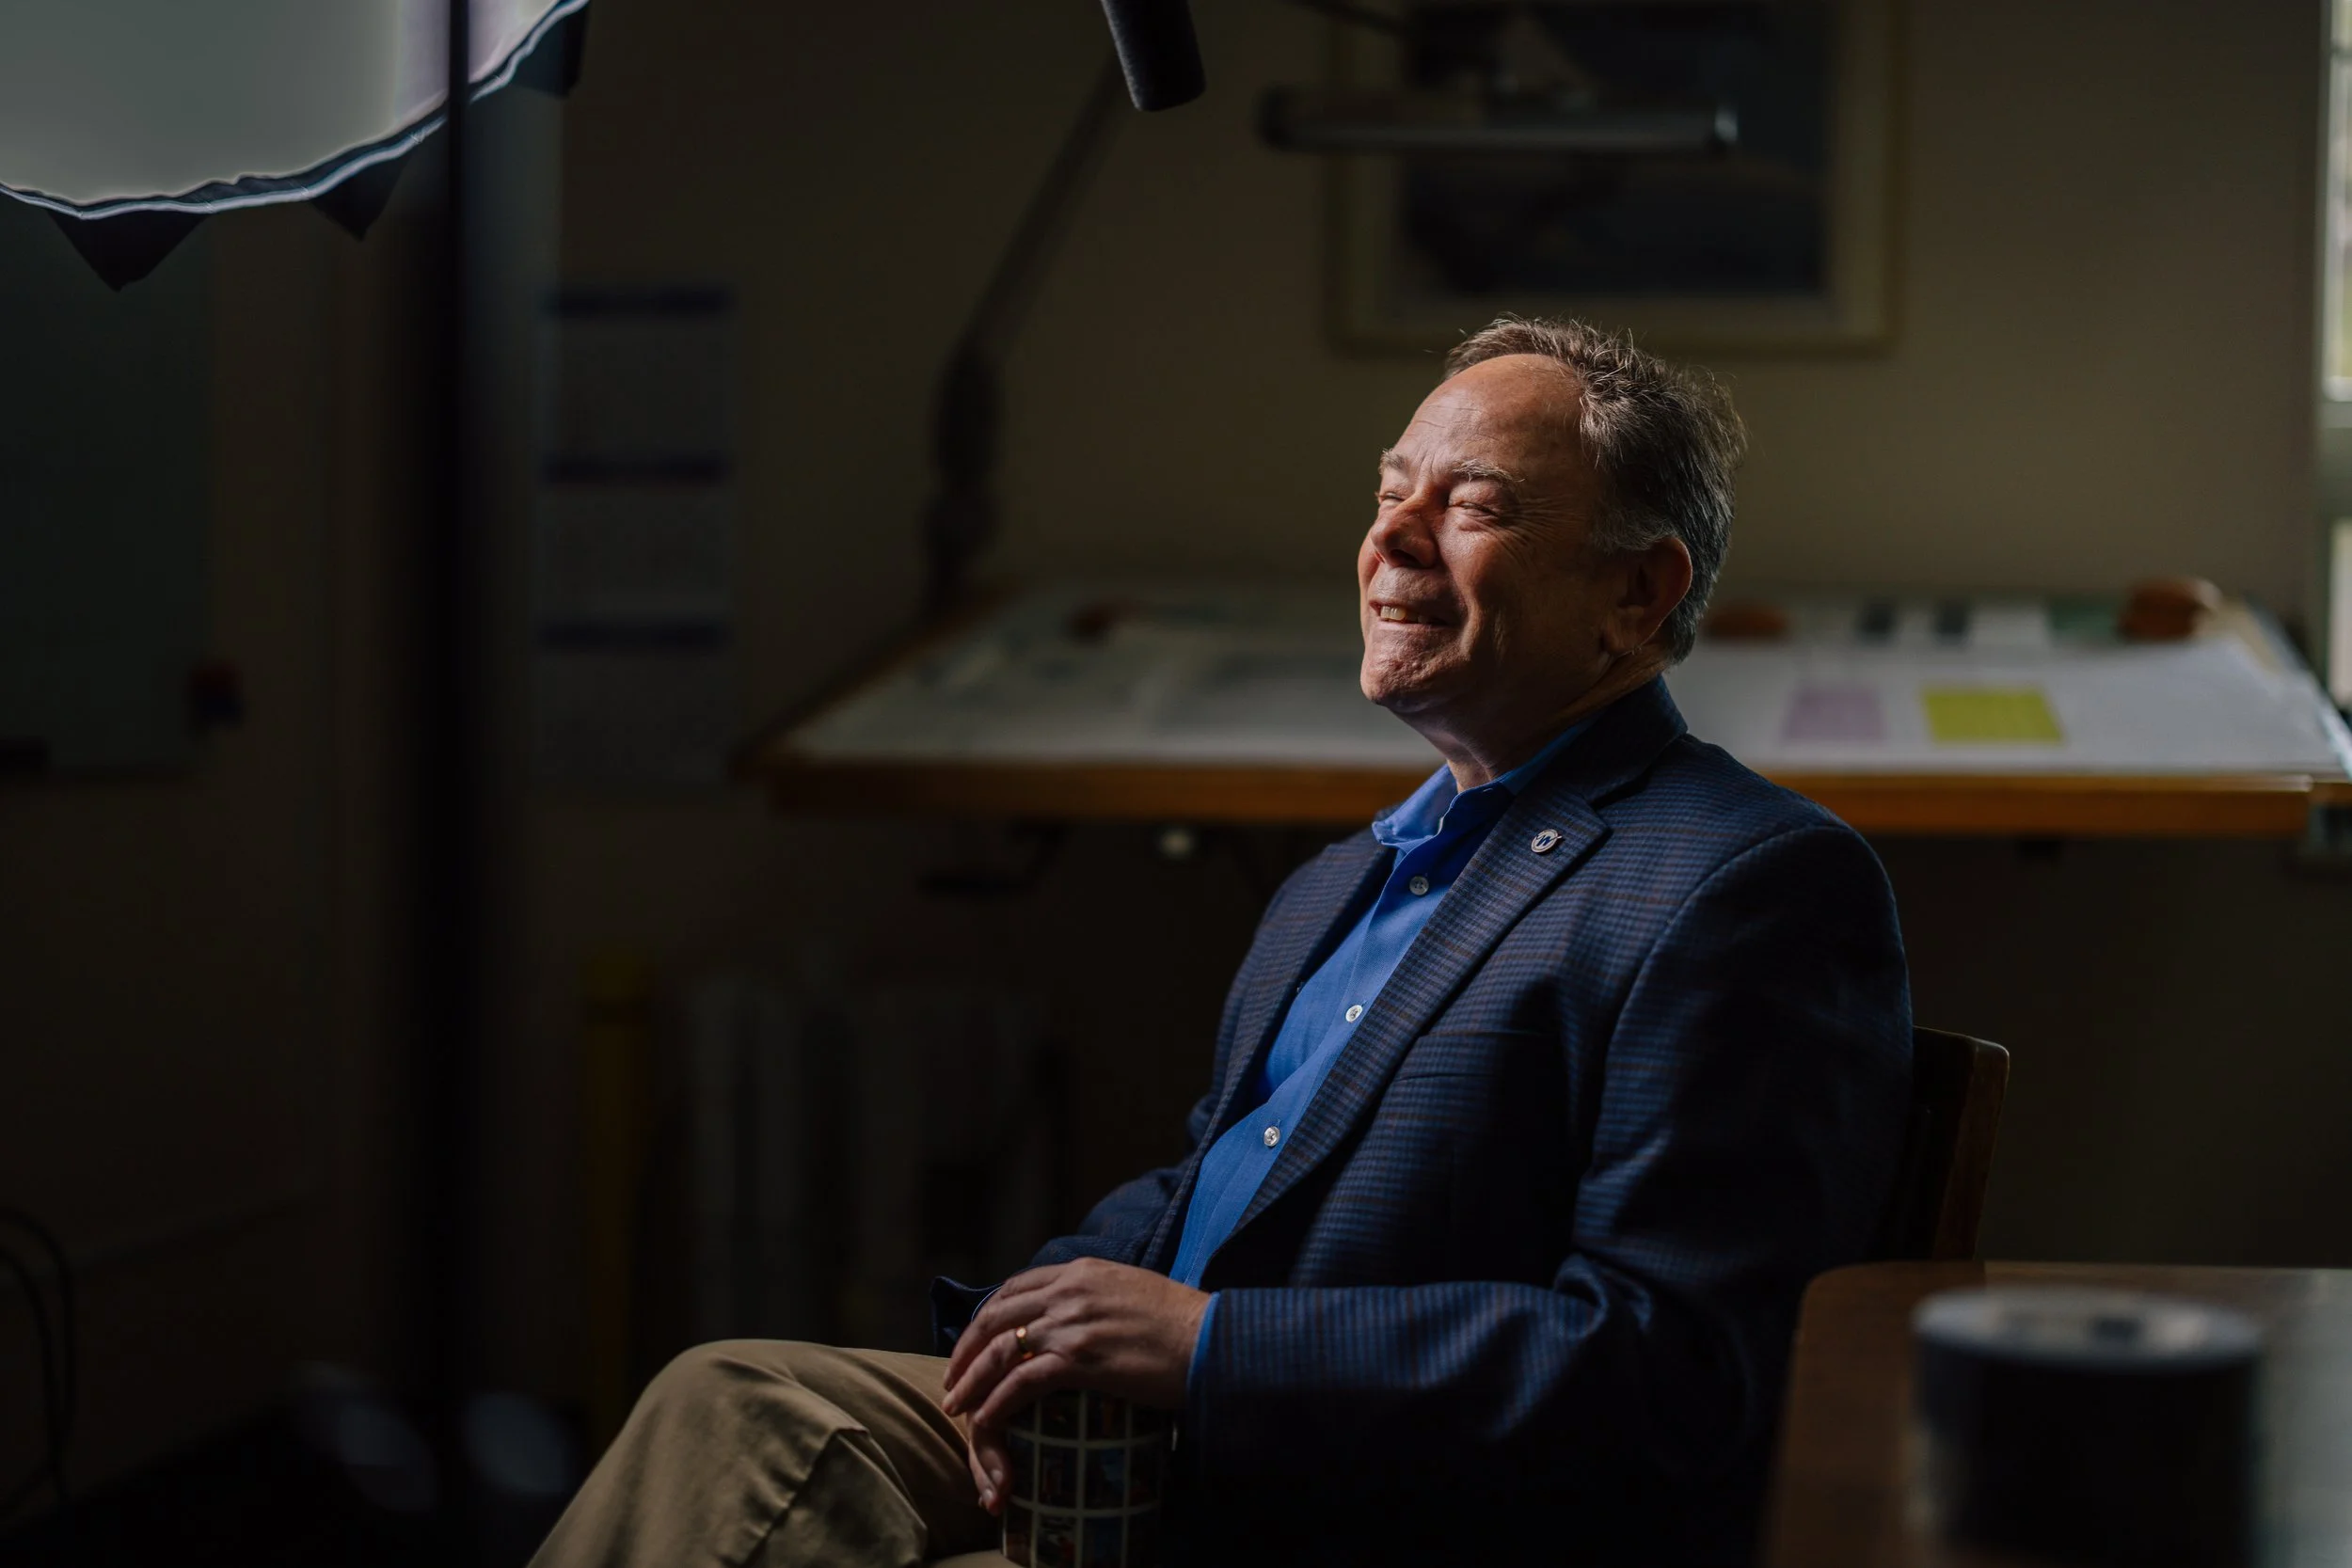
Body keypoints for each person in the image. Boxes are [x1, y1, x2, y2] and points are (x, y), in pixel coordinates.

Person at [530, 318, 1913, 1568]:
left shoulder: (1745, 882)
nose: (1394, 539)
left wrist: (1205, 1348)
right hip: (1157, 1445)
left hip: (1354, 1499)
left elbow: (1679, 1373)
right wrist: (1034, 1323)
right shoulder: (1340, 882)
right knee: (731, 1401)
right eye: (1390, 493)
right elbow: (1211, 1183)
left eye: (1472, 503)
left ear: (1638, 593)